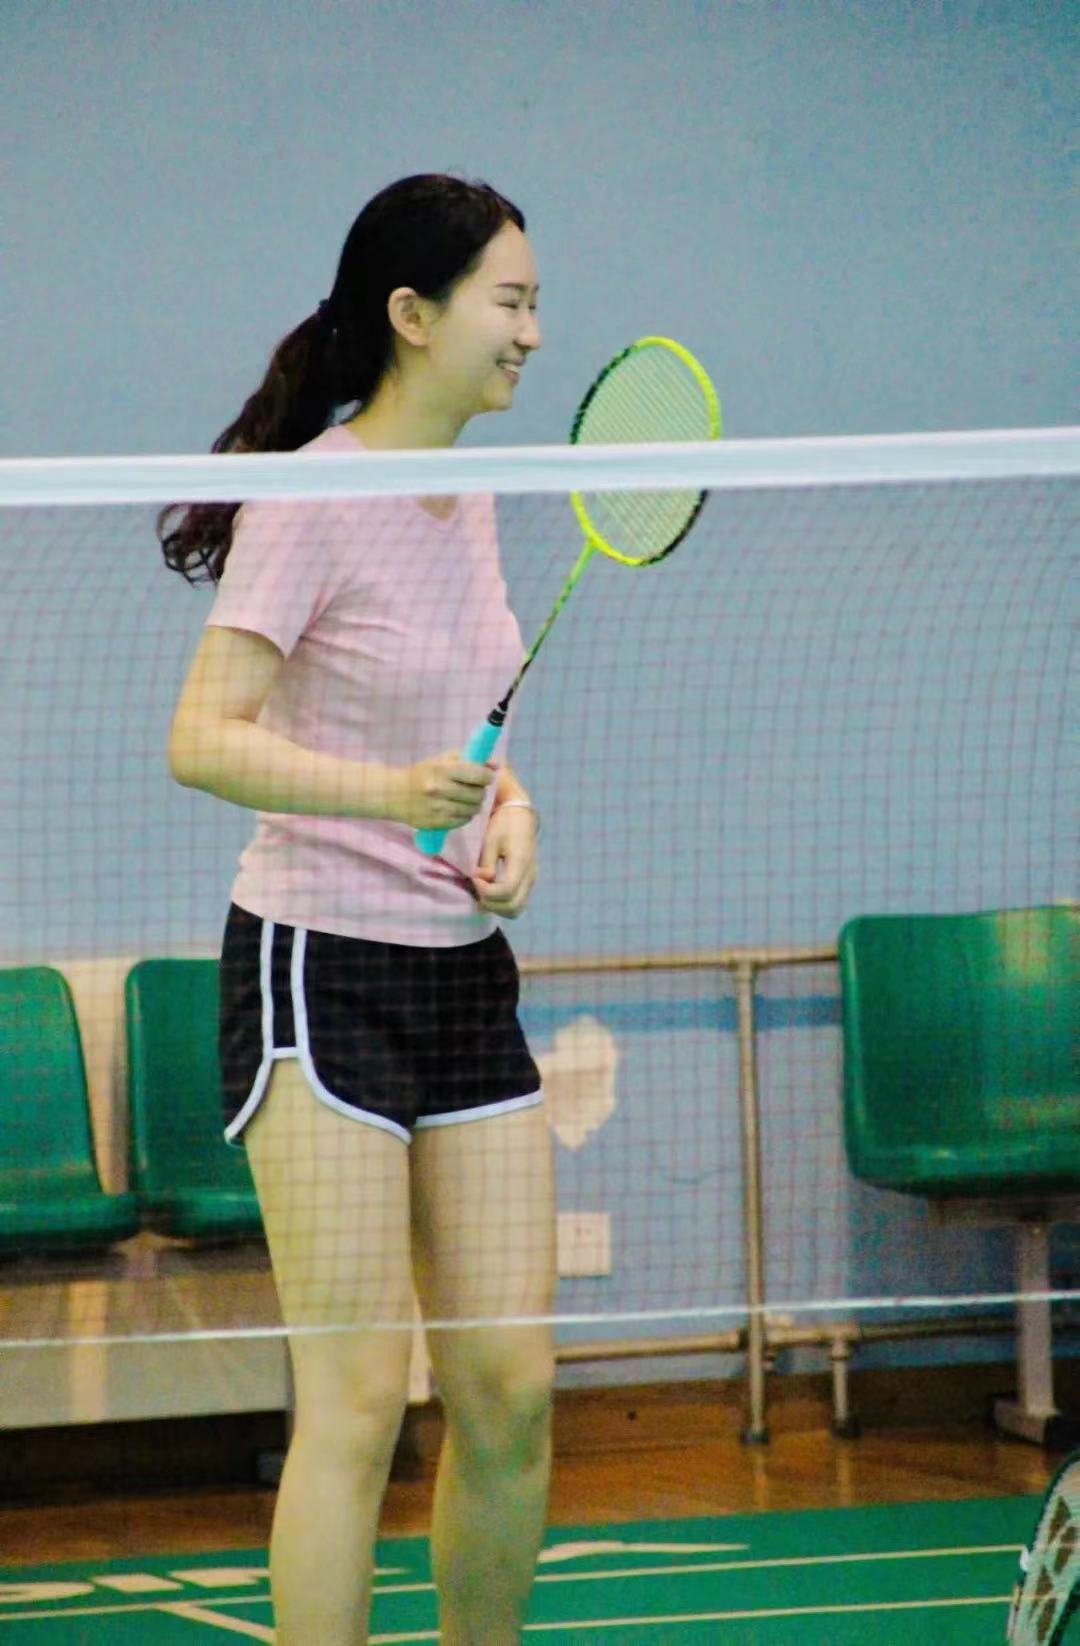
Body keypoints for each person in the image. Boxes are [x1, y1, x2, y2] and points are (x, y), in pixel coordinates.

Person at [159, 173, 553, 1646]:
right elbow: (202, 738)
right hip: (319, 968)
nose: (532, 332)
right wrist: (392, 794)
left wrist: (515, 817)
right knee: (360, 1395)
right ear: (413, 315)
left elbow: (468, 728)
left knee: (510, 1383)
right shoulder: (313, 499)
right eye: (509, 301)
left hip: (463, 971)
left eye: (534, 303)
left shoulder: (472, 497)